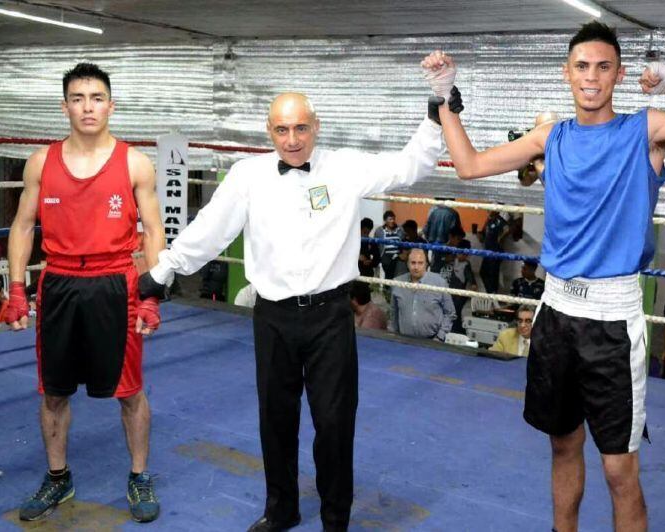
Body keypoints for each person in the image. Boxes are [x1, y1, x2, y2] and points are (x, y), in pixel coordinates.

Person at [422, 19, 665, 532]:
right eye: (582, 66)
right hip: (556, 312)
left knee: (619, 468)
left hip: (612, 321)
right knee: (562, 445)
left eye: (603, 67)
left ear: (618, 75)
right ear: (567, 73)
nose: (591, 77)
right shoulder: (549, 136)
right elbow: (468, 166)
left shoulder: (644, 129)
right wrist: (444, 96)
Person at [137, 92, 444, 532]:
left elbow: (409, 165)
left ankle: (335, 518)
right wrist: (163, 270)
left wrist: (434, 121)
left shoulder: (344, 168)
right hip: (273, 318)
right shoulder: (248, 176)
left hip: (331, 317)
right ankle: (282, 508)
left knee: (335, 424)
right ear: (270, 131)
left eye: (300, 128)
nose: (292, 139)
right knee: (275, 421)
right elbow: (209, 230)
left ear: (316, 126)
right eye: (282, 129)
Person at [5, 63, 166, 523]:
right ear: (65, 106)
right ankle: (58, 477)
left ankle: (138, 476)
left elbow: (154, 232)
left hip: (117, 283)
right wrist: (17, 289)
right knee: (54, 392)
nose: (88, 106)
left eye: (96, 97)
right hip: (58, 284)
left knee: (129, 391)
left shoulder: (135, 162)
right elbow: (22, 226)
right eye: (78, 98)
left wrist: (152, 294)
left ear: (111, 105)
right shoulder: (42, 162)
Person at [390, 248, 455, 341]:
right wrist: (394, 336)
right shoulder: (397, 283)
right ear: (407, 264)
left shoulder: (439, 283)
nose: (416, 267)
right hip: (403, 341)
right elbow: (394, 312)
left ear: (426, 264)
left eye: (420, 263)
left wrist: (440, 336)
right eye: (413, 263)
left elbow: (450, 313)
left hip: (432, 341)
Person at [435, 237, 477, 334]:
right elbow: (441, 259)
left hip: (459, 295)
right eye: (461, 253)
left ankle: (456, 332)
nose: (463, 256)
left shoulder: (466, 265)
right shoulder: (452, 259)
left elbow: (472, 280)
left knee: (455, 314)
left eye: (466, 254)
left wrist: (472, 288)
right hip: (448, 292)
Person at [478, 210, 508, 293]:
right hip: (487, 251)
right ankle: (490, 292)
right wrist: (480, 235)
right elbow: (484, 232)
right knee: (483, 272)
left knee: (493, 274)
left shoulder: (499, 220)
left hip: (495, 251)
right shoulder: (489, 220)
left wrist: (500, 238)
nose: (488, 210)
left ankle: (493, 293)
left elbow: (507, 229)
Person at [372, 210, 404, 279]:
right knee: (389, 274)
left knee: (397, 275)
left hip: (397, 257)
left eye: (393, 219)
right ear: (385, 220)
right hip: (386, 256)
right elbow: (375, 245)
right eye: (390, 219)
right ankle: (387, 287)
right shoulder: (379, 230)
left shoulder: (400, 229)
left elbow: (404, 241)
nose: (392, 221)